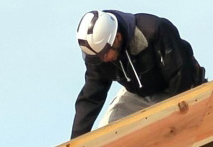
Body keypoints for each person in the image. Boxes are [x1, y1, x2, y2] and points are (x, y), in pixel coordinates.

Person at [72, 10, 205, 138]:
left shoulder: (153, 30)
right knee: (106, 134)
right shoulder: (98, 56)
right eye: (96, 57)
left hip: (178, 87)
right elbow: (91, 96)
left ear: (117, 38)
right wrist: (75, 146)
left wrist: (181, 115)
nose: (103, 60)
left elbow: (180, 73)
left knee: (175, 129)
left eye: (104, 54)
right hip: (139, 93)